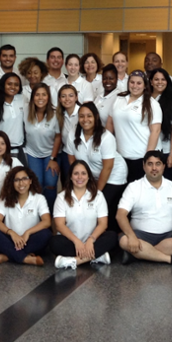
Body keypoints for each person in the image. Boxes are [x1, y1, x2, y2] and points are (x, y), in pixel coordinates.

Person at [117, 151, 172, 266]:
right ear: (144, 166)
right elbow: (120, 215)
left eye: (158, 164)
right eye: (150, 164)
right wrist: (132, 237)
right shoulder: (133, 187)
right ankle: (171, 259)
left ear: (163, 166)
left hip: (168, 235)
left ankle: (140, 254)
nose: (154, 168)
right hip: (140, 236)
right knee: (125, 240)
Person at [66, 102, 128, 231]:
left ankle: (110, 236)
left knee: (103, 202)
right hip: (92, 176)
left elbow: (108, 167)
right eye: (82, 116)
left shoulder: (106, 137)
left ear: (96, 117)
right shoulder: (73, 133)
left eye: (89, 116)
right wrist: (80, 181)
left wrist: (97, 192)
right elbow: (72, 160)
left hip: (114, 175)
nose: (85, 119)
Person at [51, 160, 117, 269]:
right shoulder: (61, 197)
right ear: (71, 177)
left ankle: (74, 261)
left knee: (112, 236)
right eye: (76, 174)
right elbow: (59, 225)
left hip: (92, 241)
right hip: (71, 242)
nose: (80, 177)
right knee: (54, 242)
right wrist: (77, 242)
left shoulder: (98, 195)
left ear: (89, 177)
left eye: (83, 173)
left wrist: (91, 240)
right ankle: (96, 256)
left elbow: (103, 224)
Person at [0, 166, 52, 266]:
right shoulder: (5, 199)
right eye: (17, 180)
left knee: (46, 234)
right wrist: (12, 233)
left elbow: (47, 221)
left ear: (30, 181)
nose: (21, 183)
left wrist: (28, 233)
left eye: (24, 179)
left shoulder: (39, 198)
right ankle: (26, 258)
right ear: (12, 183)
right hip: (10, 240)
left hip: (29, 240)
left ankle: (7, 256)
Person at [106, 70, 162, 183]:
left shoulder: (152, 104)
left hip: (140, 157)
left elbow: (155, 131)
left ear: (145, 85)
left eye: (139, 83)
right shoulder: (119, 98)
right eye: (132, 82)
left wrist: (148, 158)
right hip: (121, 156)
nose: (135, 86)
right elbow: (110, 123)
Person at [24, 83, 61, 210]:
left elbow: (58, 136)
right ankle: (39, 213)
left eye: (44, 94)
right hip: (32, 153)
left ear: (48, 97)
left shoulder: (55, 113)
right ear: (32, 97)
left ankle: (50, 214)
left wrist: (53, 159)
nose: (40, 98)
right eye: (37, 94)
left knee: (50, 183)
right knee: (37, 184)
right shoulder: (26, 112)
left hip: (50, 154)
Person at [0, 73, 26, 165]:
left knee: (20, 178)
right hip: (0, 151)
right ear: (2, 85)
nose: (13, 87)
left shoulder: (21, 99)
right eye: (9, 84)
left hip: (19, 150)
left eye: (16, 84)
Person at [149, 67, 172, 178]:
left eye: (163, 79)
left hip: (165, 150)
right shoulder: (145, 99)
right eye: (156, 79)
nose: (160, 82)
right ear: (151, 82)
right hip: (147, 147)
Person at [56, 84, 80, 185]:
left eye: (70, 95)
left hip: (81, 153)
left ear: (76, 97)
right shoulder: (59, 114)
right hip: (66, 153)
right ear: (59, 99)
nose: (67, 99)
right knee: (66, 182)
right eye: (63, 96)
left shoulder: (82, 112)